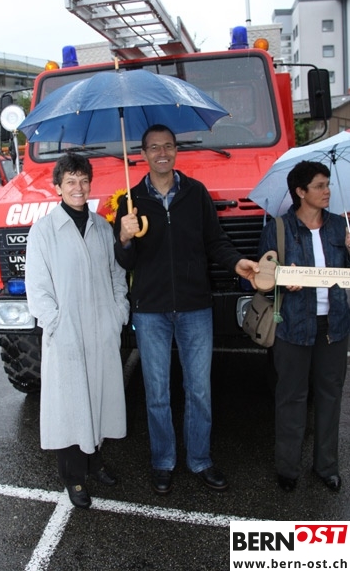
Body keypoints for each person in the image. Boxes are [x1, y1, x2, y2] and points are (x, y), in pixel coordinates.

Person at [114, 124, 259, 495]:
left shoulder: (196, 193)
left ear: (176, 150)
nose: (162, 153)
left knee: (199, 391)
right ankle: (163, 461)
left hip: (195, 306)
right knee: (157, 393)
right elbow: (125, 262)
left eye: (168, 146)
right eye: (154, 147)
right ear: (143, 155)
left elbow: (216, 242)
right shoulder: (129, 201)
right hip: (150, 311)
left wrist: (238, 263)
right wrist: (125, 237)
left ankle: (200, 459)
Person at [25, 153, 130, 509]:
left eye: (84, 180)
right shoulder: (43, 231)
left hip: (101, 329)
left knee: (98, 397)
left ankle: (94, 461)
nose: (78, 188)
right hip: (66, 332)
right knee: (70, 404)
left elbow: (117, 276)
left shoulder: (102, 227)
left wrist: (118, 313)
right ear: (57, 187)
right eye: (70, 181)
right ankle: (74, 477)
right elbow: (37, 287)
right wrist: (55, 323)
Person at [258, 160, 350, 492]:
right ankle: (288, 468)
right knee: (291, 397)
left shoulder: (340, 226)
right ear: (300, 191)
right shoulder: (279, 228)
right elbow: (262, 279)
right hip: (293, 325)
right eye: (319, 186)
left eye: (328, 185)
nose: (327, 191)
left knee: (330, 397)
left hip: (335, 325)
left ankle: (327, 467)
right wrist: (283, 280)